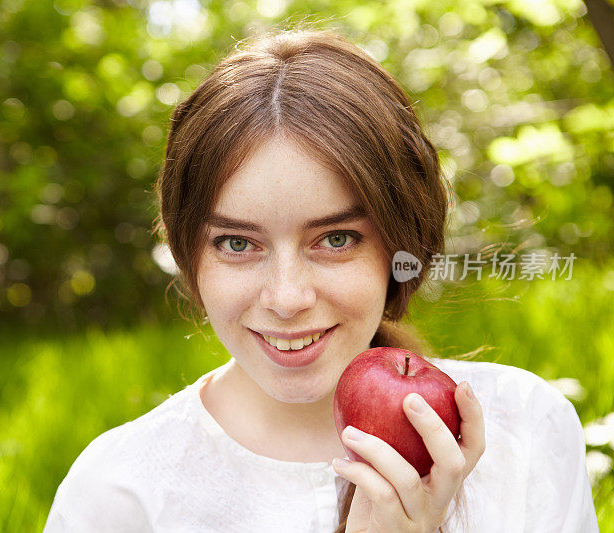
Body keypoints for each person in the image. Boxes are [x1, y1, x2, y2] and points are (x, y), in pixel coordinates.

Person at [44, 27, 598, 532]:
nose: (287, 298)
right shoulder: (120, 495)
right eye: (238, 243)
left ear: (401, 242)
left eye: (336, 239)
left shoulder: (524, 432)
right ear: (189, 254)